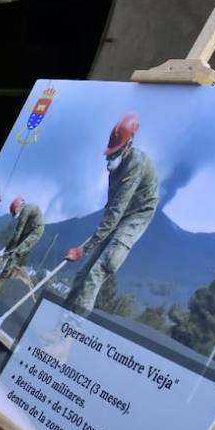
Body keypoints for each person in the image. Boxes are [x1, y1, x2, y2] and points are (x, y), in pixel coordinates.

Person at [64, 112, 160, 316]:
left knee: (96, 273)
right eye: (111, 151)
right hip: (120, 213)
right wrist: (96, 238)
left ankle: (65, 338)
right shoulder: (115, 169)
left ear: (129, 144)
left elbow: (116, 212)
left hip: (136, 217)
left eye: (116, 152)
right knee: (83, 274)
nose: (111, 156)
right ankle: (56, 322)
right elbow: (112, 207)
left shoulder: (136, 165)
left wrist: (83, 249)